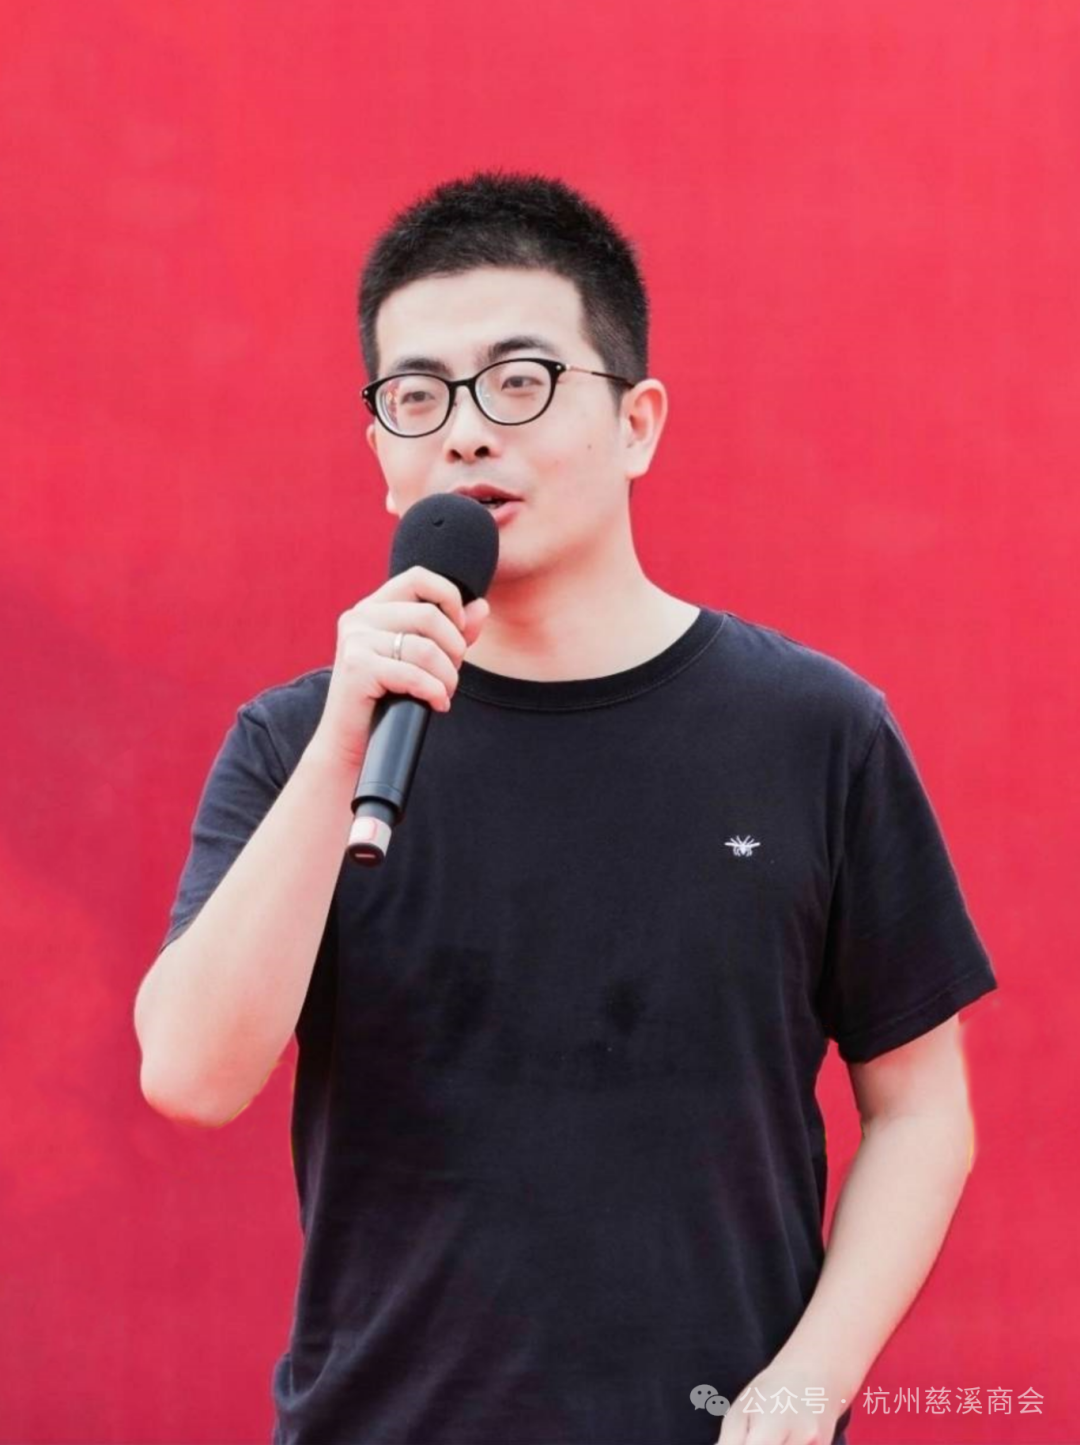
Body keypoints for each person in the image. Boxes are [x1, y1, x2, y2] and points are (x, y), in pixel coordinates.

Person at [134, 170, 999, 1445]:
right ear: (382, 457)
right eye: (418, 396)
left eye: (520, 381)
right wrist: (344, 740)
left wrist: (808, 1383)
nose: (467, 433)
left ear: (638, 423)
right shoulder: (300, 743)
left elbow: (921, 1108)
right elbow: (192, 1074)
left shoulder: (815, 729)